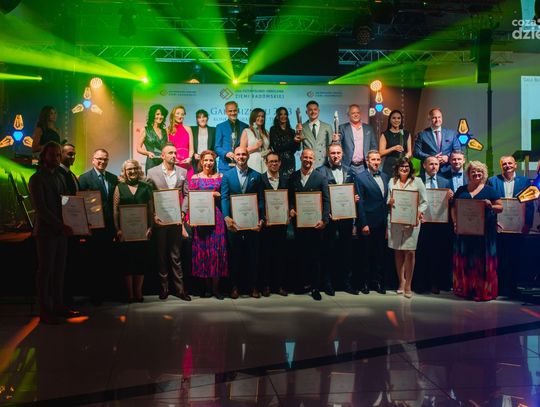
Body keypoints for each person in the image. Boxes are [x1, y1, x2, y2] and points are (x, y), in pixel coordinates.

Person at [29, 141, 78, 324]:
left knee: (59, 271)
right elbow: (41, 209)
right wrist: (61, 225)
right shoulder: (36, 178)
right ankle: (45, 311)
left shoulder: (59, 177)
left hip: (60, 231)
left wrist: (77, 220)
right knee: (45, 272)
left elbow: (66, 202)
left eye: (58, 155)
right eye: (52, 155)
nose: (56, 158)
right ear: (44, 156)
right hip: (46, 232)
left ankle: (58, 306)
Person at [451, 161, 503, 301]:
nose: (476, 173)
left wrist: (490, 205)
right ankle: (465, 289)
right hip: (464, 232)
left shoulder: (489, 190)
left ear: (484, 174)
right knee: (466, 261)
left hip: (484, 233)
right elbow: (454, 207)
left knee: (481, 262)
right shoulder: (461, 190)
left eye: (479, 171)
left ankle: (481, 291)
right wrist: (455, 223)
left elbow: (500, 207)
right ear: (468, 174)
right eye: (473, 171)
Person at [146, 143, 191, 301]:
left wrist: (183, 212)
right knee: (161, 255)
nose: (174, 155)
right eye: (170, 153)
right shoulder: (152, 172)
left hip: (176, 219)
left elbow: (187, 194)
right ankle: (164, 288)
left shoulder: (183, 172)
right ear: (162, 155)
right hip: (160, 220)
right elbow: (148, 196)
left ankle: (180, 289)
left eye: (175, 152)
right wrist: (153, 215)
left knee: (175, 255)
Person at [221, 146, 265, 298]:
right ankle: (234, 287)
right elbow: (224, 197)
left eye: (244, 154)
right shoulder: (227, 176)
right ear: (234, 156)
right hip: (234, 223)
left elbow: (261, 199)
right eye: (238, 154)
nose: (241, 157)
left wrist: (261, 219)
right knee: (234, 255)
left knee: (253, 255)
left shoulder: (257, 175)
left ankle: (253, 287)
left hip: (252, 222)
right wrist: (226, 217)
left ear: (248, 156)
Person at [488, 155, 534, 297]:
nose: (507, 166)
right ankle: (500, 287)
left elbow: (529, 204)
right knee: (500, 257)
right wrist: (493, 222)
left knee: (515, 257)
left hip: (518, 227)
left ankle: (513, 287)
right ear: (501, 166)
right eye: (504, 164)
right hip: (499, 227)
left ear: (515, 165)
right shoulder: (493, 181)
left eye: (510, 163)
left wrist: (528, 223)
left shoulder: (524, 181)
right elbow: (491, 204)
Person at [186, 150, 228, 300]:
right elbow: (191, 199)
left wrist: (218, 195)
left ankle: (216, 289)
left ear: (214, 162)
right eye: (206, 160)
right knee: (203, 251)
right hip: (201, 218)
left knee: (216, 252)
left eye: (211, 160)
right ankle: (207, 288)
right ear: (201, 162)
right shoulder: (195, 178)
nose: (208, 163)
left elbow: (226, 196)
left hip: (217, 218)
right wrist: (190, 217)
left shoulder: (221, 177)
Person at [317, 143, 358, 295]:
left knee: (347, 251)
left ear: (342, 154)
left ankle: (346, 283)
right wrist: (326, 213)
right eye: (333, 153)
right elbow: (319, 196)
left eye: (338, 153)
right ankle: (327, 283)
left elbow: (354, 191)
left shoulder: (350, 171)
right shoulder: (320, 171)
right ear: (328, 154)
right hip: (330, 218)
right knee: (328, 251)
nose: (335, 156)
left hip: (347, 217)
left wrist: (354, 198)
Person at [288, 149, 330, 301]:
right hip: (299, 224)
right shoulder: (293, 176)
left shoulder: (321, 177)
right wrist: (291, 208)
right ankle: (301, 285)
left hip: (315, 225)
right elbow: (290, 198)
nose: (307, 160)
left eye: (310, 158)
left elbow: (326, 200)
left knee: (315, 257)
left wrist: (324, 220)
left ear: (314, 159)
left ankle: (315, 287)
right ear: (300, 157)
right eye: (305, 157)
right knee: (300, 255)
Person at [79, 148, 119, 304]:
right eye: (99, 159)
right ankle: (95, 295)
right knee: (94, 262)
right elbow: (81, 203)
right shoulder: (84, 178)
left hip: (110, 226)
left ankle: (108, 293)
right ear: (93, 160)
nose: (102, 162)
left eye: (105, 159)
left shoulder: (113, 178)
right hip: (93, 226)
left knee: (108, 261)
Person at [387, 157, 428, 298]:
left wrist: (418, 212)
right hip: (396, 220)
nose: (404, 169)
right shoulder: (392, 181)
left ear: (410, 168)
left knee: (410, 252)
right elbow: (388, 200)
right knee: (398, 251)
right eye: (402, 166)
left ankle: (409, 284)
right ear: (397, 168)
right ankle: (401, 281)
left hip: (412, 220)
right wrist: (390, 201)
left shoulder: (418, 181)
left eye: (407, 166)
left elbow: (424, 202)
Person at [113, 159, 153, 303]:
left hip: (142, 232)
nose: (132, 171)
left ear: (138, 170)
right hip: (125, 233)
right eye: (129, 169)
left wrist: (150, 227)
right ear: (124, 171)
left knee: (141, 262)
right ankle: (129, 294)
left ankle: (138, 292)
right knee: (127, 263)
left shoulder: (146, 187)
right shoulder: (119, 187)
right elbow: (115, 211)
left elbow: (151, 209)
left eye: (135, 168)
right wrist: (117, 229)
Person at [415, 156, 453, 294]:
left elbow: (450, 203)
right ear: (424, 165)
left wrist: (451, 196)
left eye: (436, 164)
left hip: (439, 223)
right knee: (422, 253)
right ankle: (421, 284)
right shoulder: (417, 180)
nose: (434, 167)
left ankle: (435, 283)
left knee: (437, 254)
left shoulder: (445, 181)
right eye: (431, 164)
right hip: (422, 222)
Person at [354, 150, 389, 294]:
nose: (376, 162)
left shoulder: (385, 176)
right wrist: (363, 223)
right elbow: (360, 202)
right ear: (367, 161)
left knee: (379, 254)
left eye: (378, 159)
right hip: (368, 222)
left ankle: (377, 282)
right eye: (373, 160)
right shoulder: (360, 177)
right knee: (365, 255)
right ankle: (364, 283)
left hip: (382, 222)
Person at [260, 152, 289, 297]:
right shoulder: (260, 179)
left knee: (280, 256)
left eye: (276, 161)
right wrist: (262, 217)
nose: (274, 164)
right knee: (266, 256)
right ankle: (265, 286)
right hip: (266, 224)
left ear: (280, 163)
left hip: (282, 224)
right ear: (266, 163)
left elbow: (290, 199)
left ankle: (279, 286)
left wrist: (291, 210)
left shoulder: (285, 179)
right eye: (271, 161)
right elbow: (258, 200)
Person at [413, 108, 461, 176]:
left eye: (439, 117)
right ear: (429, 119)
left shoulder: (451, 134)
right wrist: (432, 158)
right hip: (428, 171)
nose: (437, 120)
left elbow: (458, 150)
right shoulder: (422, 134)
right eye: (434, 118)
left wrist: (448, 157)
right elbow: (416, 152)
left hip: (447, 171)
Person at [338, 104, 378, 178]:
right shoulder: (342, 128)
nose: (356, 115)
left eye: (358, 113)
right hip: (347, 166)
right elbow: (337, 145)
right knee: (346, 185)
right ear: (348, 114)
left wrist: (371, 161)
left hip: (364, 166)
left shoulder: (368, 128)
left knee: (364, 185)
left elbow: (374, 146)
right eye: (353, 113)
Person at [215, 101, 249, 173]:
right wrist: (226, 153)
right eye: (230, 111)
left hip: (241, 164)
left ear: (238, 110)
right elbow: (217, 147)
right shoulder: (220, 127)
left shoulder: (245, 126)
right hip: (225, 165)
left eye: (235, 110)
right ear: (226, 112)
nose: (233, 113)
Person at [298, 100, 334, 167]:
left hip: (323, 164)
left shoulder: (327, 127)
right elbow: (299, 148)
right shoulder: (301, 127)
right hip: (308, 164)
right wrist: (297, 136)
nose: (313, 112)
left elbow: (331, 146)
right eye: (310, 110)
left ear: (318, 111)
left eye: (315, 109)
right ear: (306, 112)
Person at [269, 107, 302, 178]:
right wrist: (293, 141)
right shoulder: (273, 129)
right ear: (277, 116)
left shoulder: (292, 131)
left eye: (285, 114)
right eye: (281, 114)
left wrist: (298, 136)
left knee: (291, 182)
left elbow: (297, 149)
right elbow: (277, 147)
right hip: (279, 162)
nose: (283, 116)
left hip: (290, 162)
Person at [379, 109, 412, 177]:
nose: (396, 120)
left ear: (401, 120)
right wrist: (393, 148)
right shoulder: (385, 134)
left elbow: (410, 152)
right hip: (389, 166)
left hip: (403, 165)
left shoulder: (406, 134)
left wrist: (405, 158)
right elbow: (381, 153)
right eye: (394, 118)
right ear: (390, 120)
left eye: (398, 118)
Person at [137, 104, 169, 173]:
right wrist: (147, 153)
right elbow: (138, 148)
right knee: (151, 180)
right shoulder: (145, 130)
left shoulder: (165, 131)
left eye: (162, 114)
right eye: (157, 114)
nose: (160, 116)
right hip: (151, 163)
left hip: (164, 163)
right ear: (152, 115)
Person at [240, 108, 270, 173]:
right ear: (253, 117)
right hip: (252, 163)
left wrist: (269, 151)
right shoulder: (246, 131)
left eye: (262, 116)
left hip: (265, 164)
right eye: (258, 116)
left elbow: (268, 147)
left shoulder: (267, 132)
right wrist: (255, 147)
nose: (261, 118)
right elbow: (241, 151)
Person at [168, 105, 195, 180]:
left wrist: (189, 158)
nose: (180, 116)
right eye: (178, 113)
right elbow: (167, 149)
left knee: (188, 185)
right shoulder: (168, 130)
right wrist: (172, 158)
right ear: (173, 114)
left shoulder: (188, 128)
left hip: (186, 163)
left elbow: (191, 148)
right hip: (174, 163)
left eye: (182, 114)